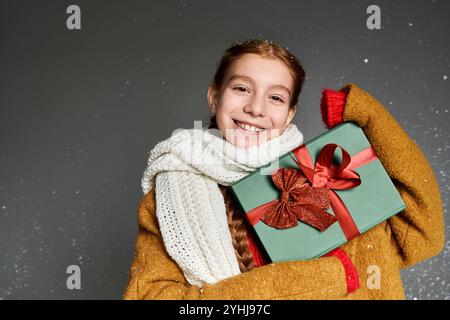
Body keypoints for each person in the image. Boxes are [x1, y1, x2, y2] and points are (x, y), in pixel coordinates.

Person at [123, 39, 444, 300]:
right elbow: (151, 297)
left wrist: (369, 118)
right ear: (214, 96)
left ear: (290, 114)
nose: (256, 108)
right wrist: (314, 281)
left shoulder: (327, 176)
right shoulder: (170, 196)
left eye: (275, 97)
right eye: (241, 88)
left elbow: (422, 235)